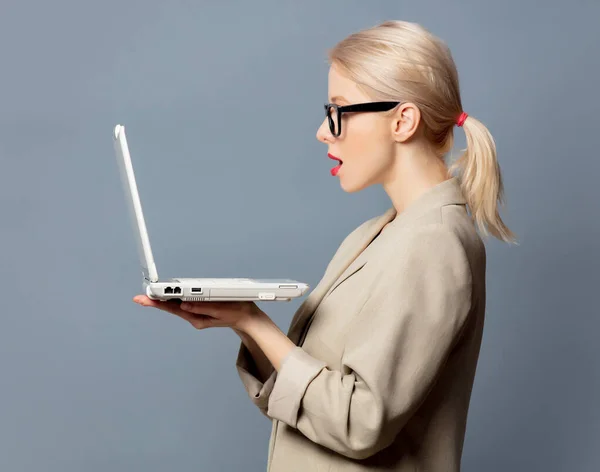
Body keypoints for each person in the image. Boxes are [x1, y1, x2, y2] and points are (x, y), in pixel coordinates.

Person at [134, 19, 516, 472]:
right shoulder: (377, 234)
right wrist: (241, 320)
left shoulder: (435, 244)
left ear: (403, 120)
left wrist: (257, 324)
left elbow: (359, 422)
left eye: (339, 110)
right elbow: (310, 400)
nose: (323, 130)